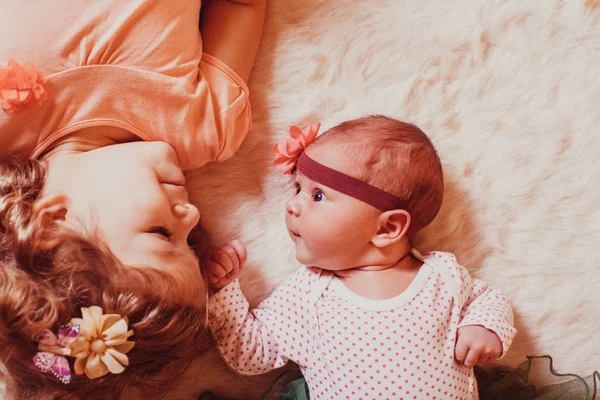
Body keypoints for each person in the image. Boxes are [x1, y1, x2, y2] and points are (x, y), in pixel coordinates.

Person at [0, 0, 266, 398]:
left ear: (53, 222)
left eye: (162, 234)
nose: (192, 215)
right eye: (190, 242)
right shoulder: (206, 127)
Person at [204, 116, 517, 399]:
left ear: (387, 228)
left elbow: (489, 298)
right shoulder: (308, 293)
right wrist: (224, 290)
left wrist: (484, 327)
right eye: (297, 187)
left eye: (317, 196)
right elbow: (251, 352)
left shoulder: (441, 275)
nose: (292, 205)